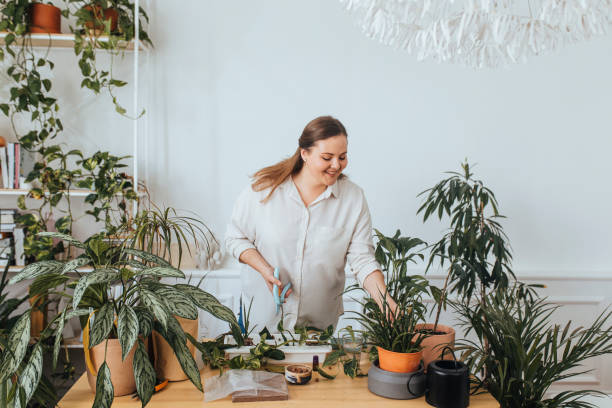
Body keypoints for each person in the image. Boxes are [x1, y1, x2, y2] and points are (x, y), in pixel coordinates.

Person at [225, 115, 396, 332]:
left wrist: (385, 301)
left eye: (342, 157)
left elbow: (362, 259)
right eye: (327, 157)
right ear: (304, 153)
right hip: (260, 321)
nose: (336, 165)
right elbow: (235, 238)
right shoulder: (264, 190)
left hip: (317, 328)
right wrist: (264, 269)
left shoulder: (353, 199)